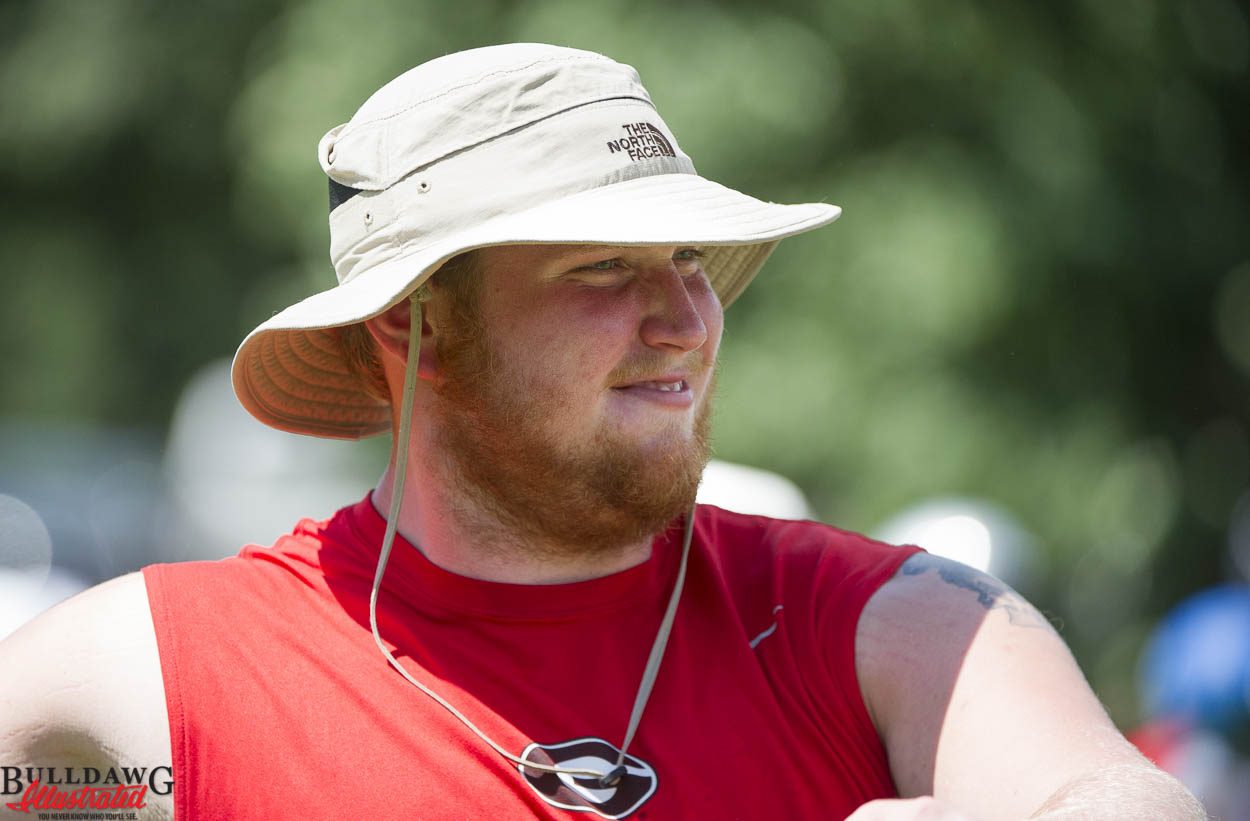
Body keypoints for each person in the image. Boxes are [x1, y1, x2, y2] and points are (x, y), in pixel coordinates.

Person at [0, 44, 1205, 821]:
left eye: (689, 259)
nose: (686, 317)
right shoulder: (141, 682)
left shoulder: (887, 625)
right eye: (602, 266)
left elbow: (1114, 796)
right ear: (416, 323)